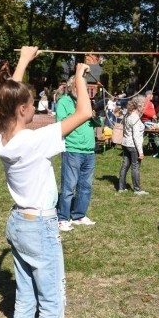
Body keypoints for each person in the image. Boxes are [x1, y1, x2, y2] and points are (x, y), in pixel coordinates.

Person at [0, 46, 91, 318]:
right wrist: (79, 77)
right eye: (31, 104)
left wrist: (23, 62)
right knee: (52, 304)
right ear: (21, 109)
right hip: (40, 227)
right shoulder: (34, 141)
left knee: (26, 298)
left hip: (18, 223)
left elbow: (5, 100)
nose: (35, 108)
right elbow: (85, 112)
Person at [56, 74, 102, 231]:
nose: (83, 91)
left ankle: (79, 215)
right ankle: (63, 218)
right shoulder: (64, 102)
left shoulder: (86, 103)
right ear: (71, 87)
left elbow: (98, 122)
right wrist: (79, 111)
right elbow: (61, 124)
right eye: (79, 86)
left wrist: (96, 116)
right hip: (72, 149)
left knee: (86, 186)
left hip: (89, 150)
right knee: (69, 186)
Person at [118, 95, 148, 195]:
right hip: (133, 145)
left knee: (125, 165)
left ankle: (121, 187)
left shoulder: (128, 115)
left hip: (125, 143)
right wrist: (141, 152)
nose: (144, 108)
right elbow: (136, 136)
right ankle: (137, 189)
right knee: (135, 167)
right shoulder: (134, 117)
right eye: (143, 106)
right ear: (138, 106)